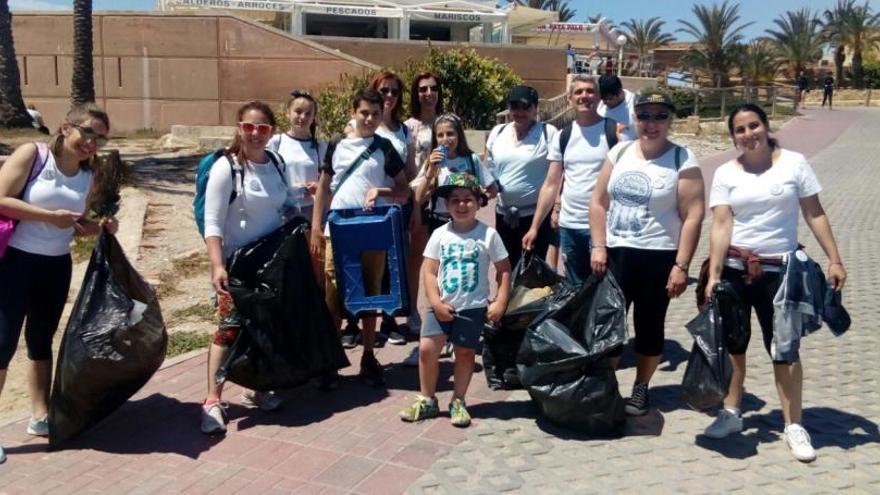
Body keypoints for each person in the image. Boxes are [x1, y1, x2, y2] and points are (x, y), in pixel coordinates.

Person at [701, 103, 847, 462]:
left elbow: (814, 211)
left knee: (784, 349)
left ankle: (793, 424)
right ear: (733, 136)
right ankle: (732, 413)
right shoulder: (725, 173)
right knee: (734, 344)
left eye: (754, 126)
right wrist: (715, 275)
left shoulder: (794, 163)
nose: (748, 134)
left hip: (780, 272)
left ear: (766, 126)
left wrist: (834, 258)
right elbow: (721, 224)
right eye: (740, 129)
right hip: (735, 269)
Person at [0, 104, 118, 461]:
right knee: (2, 343)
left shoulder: (91, 173)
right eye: (87, 132)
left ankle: (39, 415)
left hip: (56, 265)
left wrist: (100, 228)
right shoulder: (32, 155)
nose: (91, 142)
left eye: (99, 137)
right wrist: (47, 217)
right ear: (66, 128)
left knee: (41, 339)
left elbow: (78, 225)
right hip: (14, 262)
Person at [589, 92, 705, 416]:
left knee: (649, 325)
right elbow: (597, 202)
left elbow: (693, 215)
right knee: (607, 324)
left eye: (659, 116)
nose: (651, 123)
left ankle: (641, 388)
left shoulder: (682, 159)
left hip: (657, 256)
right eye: (645, 116)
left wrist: (681, 265)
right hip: (615, 255)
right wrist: (598, 245)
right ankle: (606, 386)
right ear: (635, 118)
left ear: (670, 120)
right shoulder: (620, 151)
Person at [311, 88, 409, 388]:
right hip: (338, 228)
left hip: (372, 229)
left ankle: (368, 355)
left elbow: (404, 191)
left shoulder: (385, 148)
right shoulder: (337, 145)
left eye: (375, 114)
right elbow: (324, 189)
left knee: (369, 292)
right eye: (364, 112)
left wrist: (381, 192)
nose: (369, 118)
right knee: (332, 296)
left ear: (382, 116)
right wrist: (316, 227)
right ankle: (331, 361)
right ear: (354, 112)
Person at [201, 101, 289, 434]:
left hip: (270, 264)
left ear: (271, 132)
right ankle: (212, 400)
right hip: (236, 264)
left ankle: (257, 387)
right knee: (228, 329)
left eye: (263, 128)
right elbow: (212, 221)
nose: (255, 134)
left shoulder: (276, 163)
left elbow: (285, 204)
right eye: (249, 127)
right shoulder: (227, 167)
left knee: (264, 328)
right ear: (239, 127)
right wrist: (216, 265)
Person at [399, 171, 510, 427]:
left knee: (464, 353)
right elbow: (428, 271)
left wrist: (500, 301)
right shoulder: (440, 234)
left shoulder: (488, 235)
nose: (462, 205)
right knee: (427, 350)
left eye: (468, 199)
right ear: (446, 205)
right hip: (439, 305)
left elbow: (504, 269)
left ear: (479, 202)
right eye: (455, 200)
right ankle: (427, 399)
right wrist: (435, 302)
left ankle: (458, 400)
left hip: (471, 308)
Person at [523, 75, 621, 286]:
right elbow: (551, 184)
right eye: (578, 92)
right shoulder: (563, 136)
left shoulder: (615, 132)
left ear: (598, 97)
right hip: (571, 226)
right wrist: (534, 226)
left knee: (604, 289)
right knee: (575, 290)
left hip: (605, 228)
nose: (584, 96)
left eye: (589, 91)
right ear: (569, 99)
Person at [485, 85, 558, 268]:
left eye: (526, 106)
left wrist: (554, 209)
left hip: (535, 217)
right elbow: (489, 169)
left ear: (535, 108)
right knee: (505, 268)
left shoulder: (548, 133)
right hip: (504, 215)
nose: (520, 111)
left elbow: (555, 178)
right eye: (514, 106)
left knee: (532, 271)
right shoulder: (498, 132)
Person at [404, 72, 445, 338]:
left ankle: (440, 309)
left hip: (441, 199)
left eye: (432, 88)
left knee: (441, 259)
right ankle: (411, 312)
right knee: (415, 257)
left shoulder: (448, 123)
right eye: (422, 89)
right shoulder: (408, 126)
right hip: (415, 197)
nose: (428, 93)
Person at [268, 90, 326, 223]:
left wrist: (319, 186)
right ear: (288, 113)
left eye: (308, 113)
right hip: (283, 210)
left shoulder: (320, 147)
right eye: (298, 111)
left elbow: (330, 178)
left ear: (313, 118)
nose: (303, 117)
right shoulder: (276, 142)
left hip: (311, 210)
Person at [597, 75, 637, 141]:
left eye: (609, 99)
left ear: (620, 92)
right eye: (603, 99)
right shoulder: (599, 104)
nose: (605, 102)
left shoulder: (635, 106)